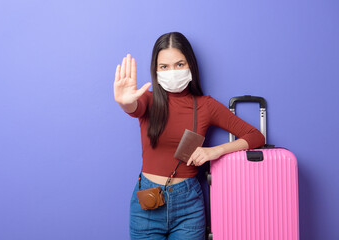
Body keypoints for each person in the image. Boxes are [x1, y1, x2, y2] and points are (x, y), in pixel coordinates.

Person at [113, 32, 265, 240]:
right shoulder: (148, 101)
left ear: (190, 66)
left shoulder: (206, 106)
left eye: (179, 64)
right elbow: (133, 107)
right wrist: (124, 102)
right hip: (147, 203)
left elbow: (256, 136)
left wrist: (215, 151)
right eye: (164, 67)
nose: (172, 72)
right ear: (156, 70)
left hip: (189, 207)